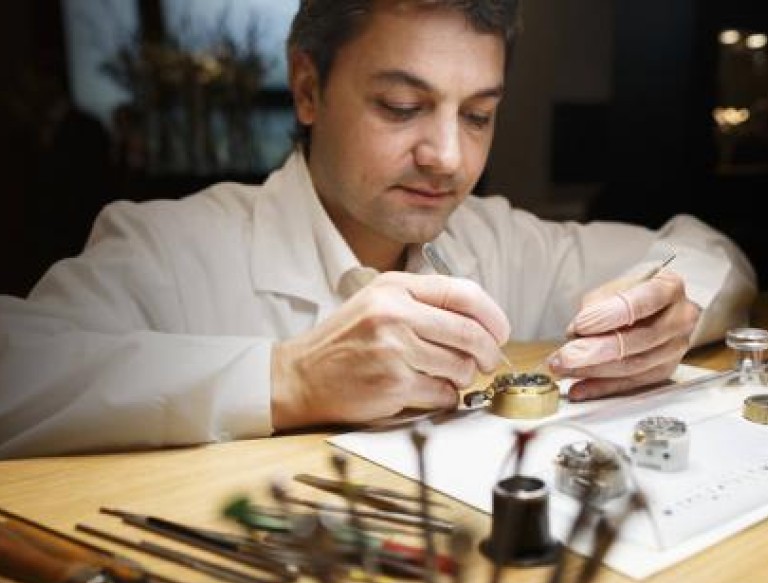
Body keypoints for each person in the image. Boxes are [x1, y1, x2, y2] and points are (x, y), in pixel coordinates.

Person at [0, 0, 756, 458]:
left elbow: (708, 249)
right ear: (307, 89)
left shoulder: (495, 241)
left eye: (478, 115)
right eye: (401, 107)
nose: (448, 157)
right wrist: (289, 378)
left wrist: (664, 310)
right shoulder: (171, 249)